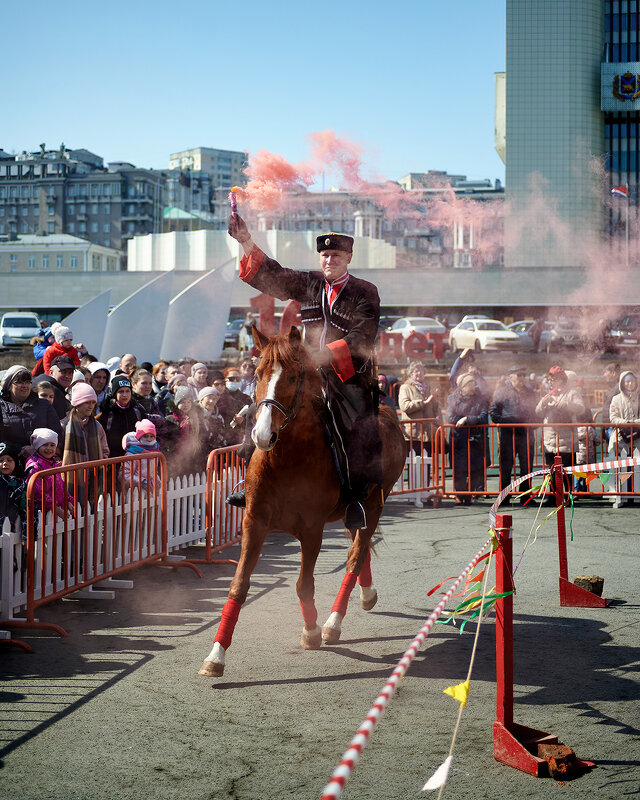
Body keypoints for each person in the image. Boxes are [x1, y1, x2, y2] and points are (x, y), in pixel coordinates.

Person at [228, 216, 381, 528]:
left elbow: (360, 339)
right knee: (268, 401)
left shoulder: (366, 292)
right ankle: (251, 483)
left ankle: (355, 498)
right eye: (324, 255)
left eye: (336, 255)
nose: (329, 260)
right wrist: (246, 241)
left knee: (357, 425)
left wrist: (318, 357)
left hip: (347, 374)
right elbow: (274, 275)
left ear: (348, 258)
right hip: (308, 372)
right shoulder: (309, 283)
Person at [535, 365, 588, 501]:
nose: (550, 382)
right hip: (549, 439)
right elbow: (538, 412)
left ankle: (568, 495)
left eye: (553, 379)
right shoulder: (550, 394)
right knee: (551, 471)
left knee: (567, 471)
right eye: (549, 380)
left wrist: (567, 404)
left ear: (560, 379)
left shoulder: (572, 393)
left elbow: (581, 409)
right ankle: (553, 496)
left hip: (566, 440)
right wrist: (542, 403)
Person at [489, 365, 538, 499]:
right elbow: (493, 413)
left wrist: (532, 424)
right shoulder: (502, 392)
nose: (522, 378)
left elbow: (537, 412)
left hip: (526, 434)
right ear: (510, 377)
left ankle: (525, 496)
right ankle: (504, 496)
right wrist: (508, 421)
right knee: (506, 467)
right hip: (508, 435)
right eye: (519, 375)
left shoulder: (530, 392)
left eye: (523, 375)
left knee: (527, 468)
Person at [0, 365, 62, 458]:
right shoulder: (1, 407)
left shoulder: (44, 405)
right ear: (9, 385)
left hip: (42, 461)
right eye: (19, 382)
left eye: (28, 382)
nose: (24, 386)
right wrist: (20, 450)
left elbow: (56, 432)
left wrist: (36, 447)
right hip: (10, 462)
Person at [446, 373, 489, 503]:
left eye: (472, 383)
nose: (472, 386)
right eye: (468, 384)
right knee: (459, 469)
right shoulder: (452, 399)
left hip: (476, 439)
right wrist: (468, 420)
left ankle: (469, 494)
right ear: (461, 386)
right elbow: (450, 418)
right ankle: (460, 495)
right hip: (459, 439)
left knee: (476, 469)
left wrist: (467, 419)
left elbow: (483, 417)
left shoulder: (481, 399)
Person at [25, 428, 74, 519]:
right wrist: (55, 508)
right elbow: (38, 493)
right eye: (44, 445)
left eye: (52, 445)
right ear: (37, 446)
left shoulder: (54, 463)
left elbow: (60, 485)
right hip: (43, 513)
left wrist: (68, 499)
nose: (49, 448)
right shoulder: (35, 466)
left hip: (56, 512)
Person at [608, 370, 640, 507]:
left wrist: (636, 423)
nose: (630, 383)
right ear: (622, 383)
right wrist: (626, 423)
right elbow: (613, 417)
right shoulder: (616, 399)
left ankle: (636, 494)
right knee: (618, 466)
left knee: (637, 466)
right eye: (627, 381)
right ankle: (618, 496)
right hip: (620, 437)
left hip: (638, 436)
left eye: (632, 380)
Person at [97, 374, 147, 458]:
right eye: (121, 391)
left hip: (135, 457)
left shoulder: (138, 410)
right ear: (114, 394)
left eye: (127, 391)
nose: (125, 395)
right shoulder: (108, 412)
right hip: (113, 459)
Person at [398, 361, 440, 457]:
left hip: (428, 435)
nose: (419, 373)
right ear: (411, 373)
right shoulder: (405, 388)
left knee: (427, 464)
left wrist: (435, 400)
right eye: (416, 371)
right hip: (413, 435)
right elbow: (405, 406)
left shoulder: (429, 388)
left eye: (421, 370)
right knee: (413, 467)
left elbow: (435, 410)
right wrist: (423, 402)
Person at [121, 419, 161, 491]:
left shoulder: (154, 452)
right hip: (137, 492)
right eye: (145, 436)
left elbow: (153, 472)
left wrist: (157, 480)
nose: (149, 439)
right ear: (139, 437)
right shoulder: (132, 454)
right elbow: (124, 475)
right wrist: (142, 482)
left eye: (151, 436)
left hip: (151, 490)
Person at [32, 354, 75, 420]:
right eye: (63, 372)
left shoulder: (35, 382)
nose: (67, 376)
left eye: (70, 373)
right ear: (51, 373)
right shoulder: (55, 392)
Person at [0, 440, 27, 537]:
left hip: (13, 531)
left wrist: (26, 533)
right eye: (1, 460)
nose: (5, 463)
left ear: (15, 463)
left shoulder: (20, 484)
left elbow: (25, 508)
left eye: (9, 460)